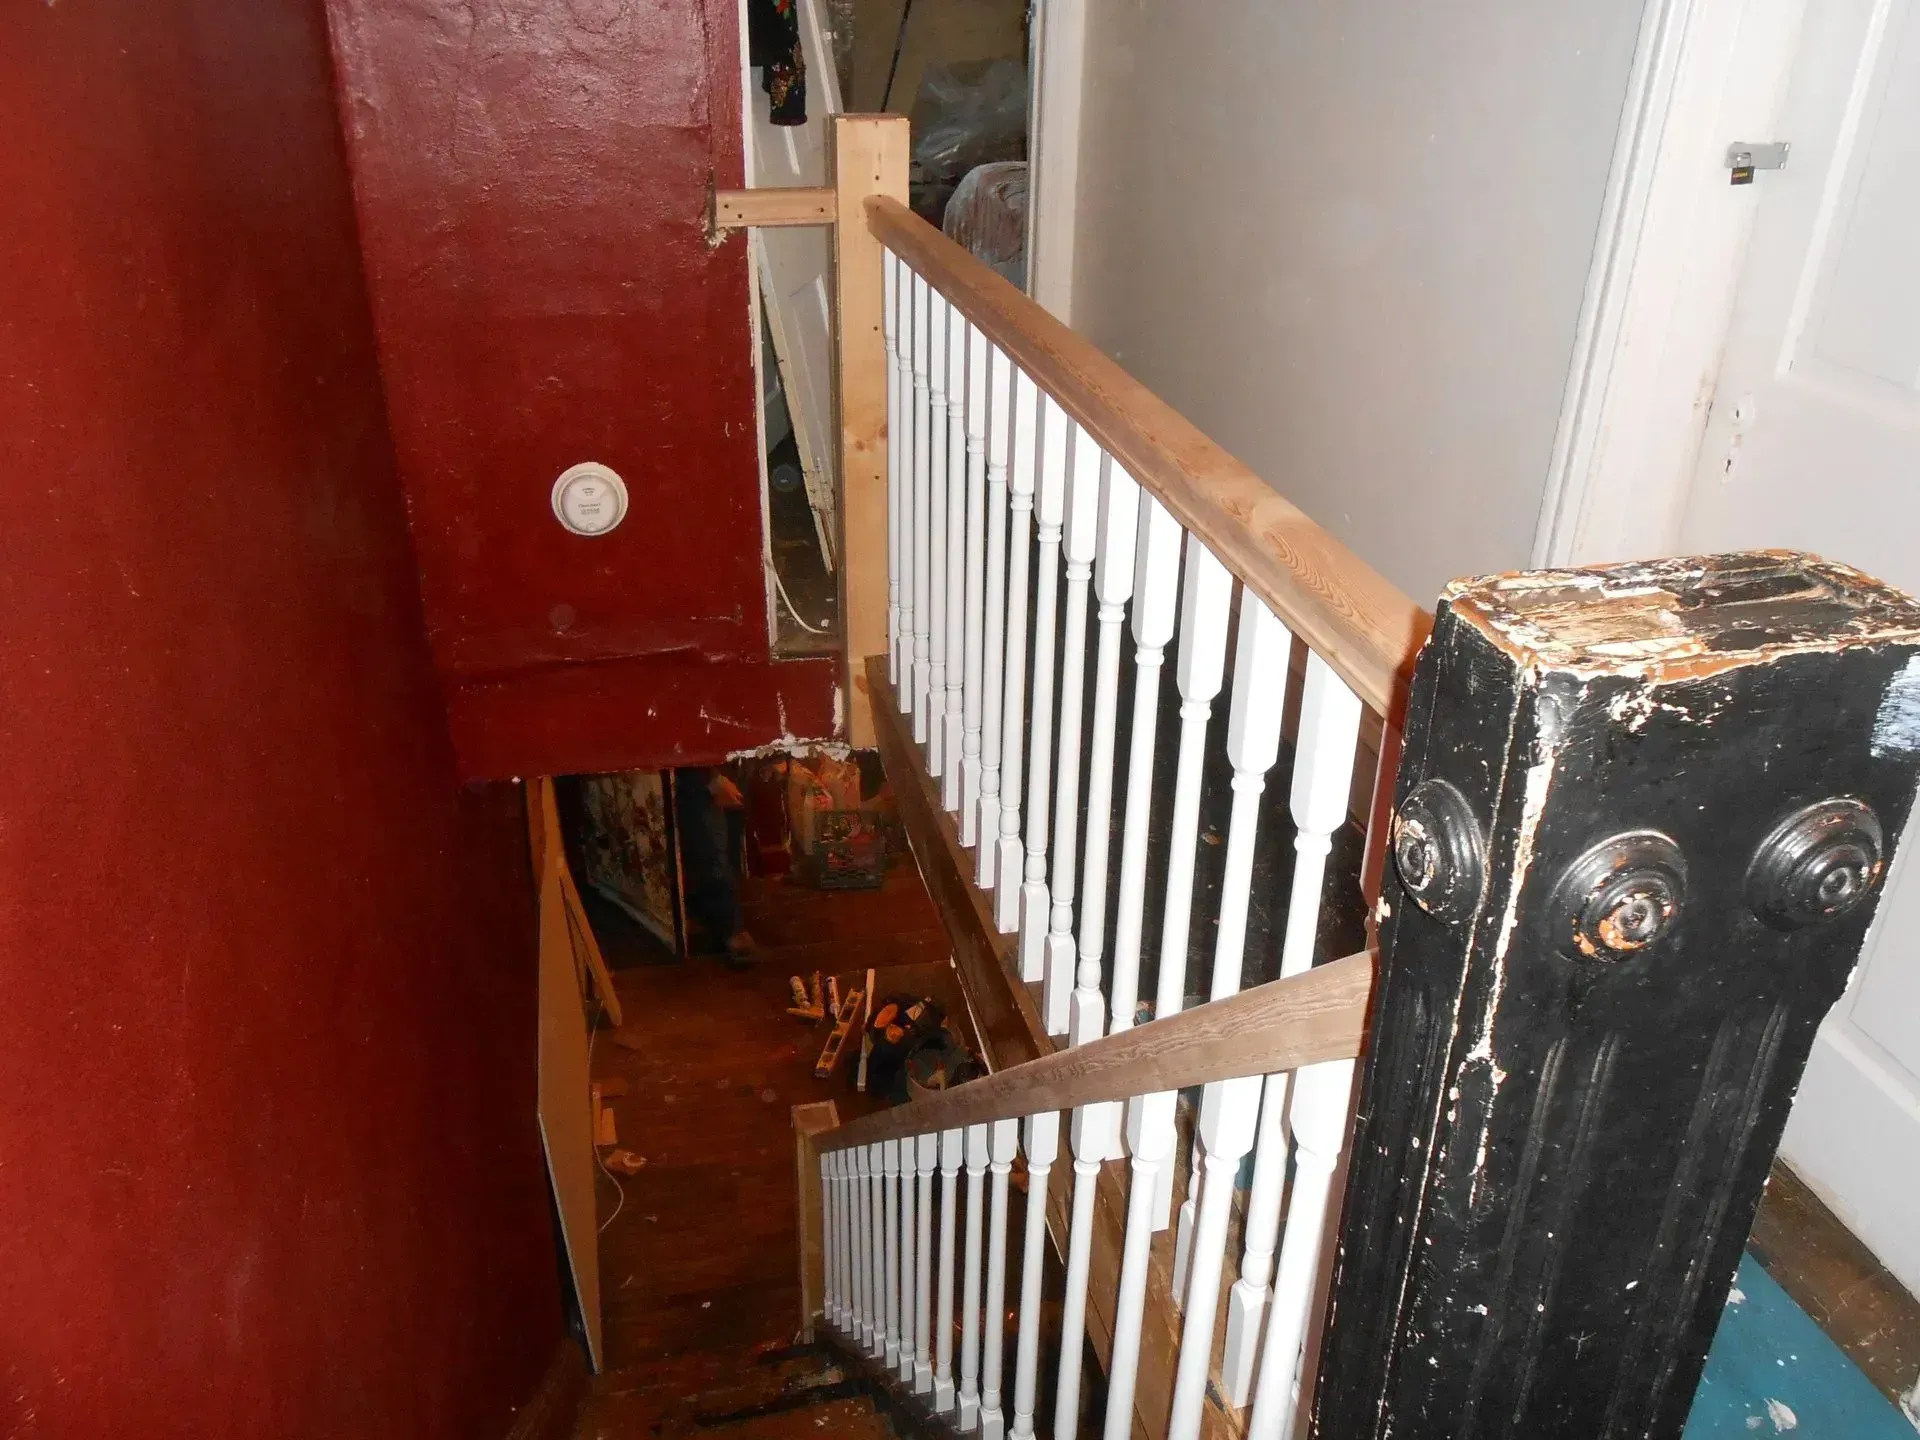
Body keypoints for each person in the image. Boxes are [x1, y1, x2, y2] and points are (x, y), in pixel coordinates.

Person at [674, 767, 758, 968]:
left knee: (727, 843)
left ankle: (716, 913)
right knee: (710, 845)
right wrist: (711, 778)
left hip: (727, 763)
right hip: (699, 770)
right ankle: (728, 923)